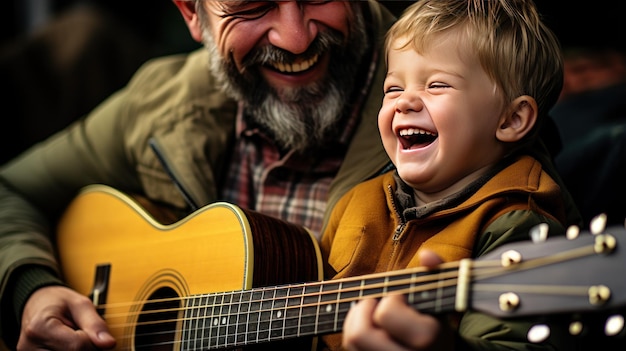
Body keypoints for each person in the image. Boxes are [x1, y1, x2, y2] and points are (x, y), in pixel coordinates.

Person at [0, 1, 401, 350]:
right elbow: (10, 189)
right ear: (192, 13)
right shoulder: (163, 102)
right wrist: (33, 288)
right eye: (251, 8)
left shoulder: (451, 100)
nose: (295, 39)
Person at [319, 0, 583, 350]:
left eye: (437, 85)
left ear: (511, 120)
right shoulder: (356, 201)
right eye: (393, 88)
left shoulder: (518, 222)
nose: (404, 102)